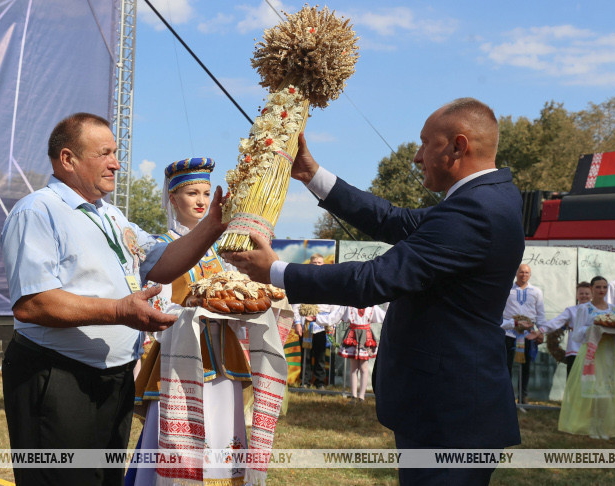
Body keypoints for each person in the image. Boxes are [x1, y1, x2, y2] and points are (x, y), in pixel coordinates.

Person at [224, 98, 523, 485]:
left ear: (457, 146)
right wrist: (311, 173)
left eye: (424, 143)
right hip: (450, 404)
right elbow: (393, 220)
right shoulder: (487, 197)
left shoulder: (476, 210)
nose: (416, 157)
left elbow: (375, 280)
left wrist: (276, 271)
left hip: (450, 411)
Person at [0, 113, 226, 486]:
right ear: (68, 159)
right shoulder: (37, 212)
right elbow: (33, 303)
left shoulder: (112, 215)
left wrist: (213, 226)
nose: (117, 163)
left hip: (114, 380)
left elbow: (162, 262)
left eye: (115, 152)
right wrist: (121, 310)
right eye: (104, 153)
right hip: (57, 377)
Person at [129, 157, 251, 486]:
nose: (200, 201)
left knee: (221, 430)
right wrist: (198, 310)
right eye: (192, 193)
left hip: (220, 356)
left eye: (206, 193)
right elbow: (159, 304)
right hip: (179, 358)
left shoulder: (217, 253)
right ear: (172, 199)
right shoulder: (163, 248)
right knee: (174, 433)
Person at [558, 276, 615, 439]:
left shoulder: (614, 310)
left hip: (609, 354)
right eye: (598, 287)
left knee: (607, 390)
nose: (602, 290)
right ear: (592, 289)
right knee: (593, 390)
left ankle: (603, 425)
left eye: (604, 287)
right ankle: (592, 425)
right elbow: (577, 334)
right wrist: (594, 329)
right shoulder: (585, 309)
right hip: (592, 354)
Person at [291, 254, 345, 389]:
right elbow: (296, 304)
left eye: (320, 263)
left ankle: (320, 382)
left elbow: (335, 305)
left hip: (322, 325)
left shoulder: (329, 282)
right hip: (306, 326)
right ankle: (305, 381)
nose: (317, 265)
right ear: (310, 264)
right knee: (306, 355)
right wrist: (297, 323)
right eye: (314, 263)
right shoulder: (303, 282)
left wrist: (332, 324)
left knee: (320, 355)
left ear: (324, 264)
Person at [500, 264, 546, 404]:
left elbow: (540, 314)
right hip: (509, 333)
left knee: (525, 367)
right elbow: (500, 313)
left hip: (527, 335)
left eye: (526, 272)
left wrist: (541, 332)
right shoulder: (507, 290)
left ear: (530, 275)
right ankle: (506, 398)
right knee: (506, 366)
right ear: (516, 273)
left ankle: (522, 397)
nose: (523, 275)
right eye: (521, 272)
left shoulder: (536, 291)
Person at [533, 281, 591, 376]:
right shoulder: (571, 310)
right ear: (577, 295)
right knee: (572, 379)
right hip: (574, 350)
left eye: (587, 293)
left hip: (592, 349)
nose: (584, 296)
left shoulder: (597, 310)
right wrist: (540, 330)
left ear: (592, 295)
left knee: (590, 380)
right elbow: (557, 321)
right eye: (581, 293)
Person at [338, 304, 386, 401]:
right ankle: (354, 395)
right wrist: (317, 317)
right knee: (354, 368)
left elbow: (385, 316)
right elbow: (336, 315)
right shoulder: (349, 306)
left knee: (364, 367)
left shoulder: (372, 307)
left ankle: (362, 396)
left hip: (365, 337)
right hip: (353, 335)